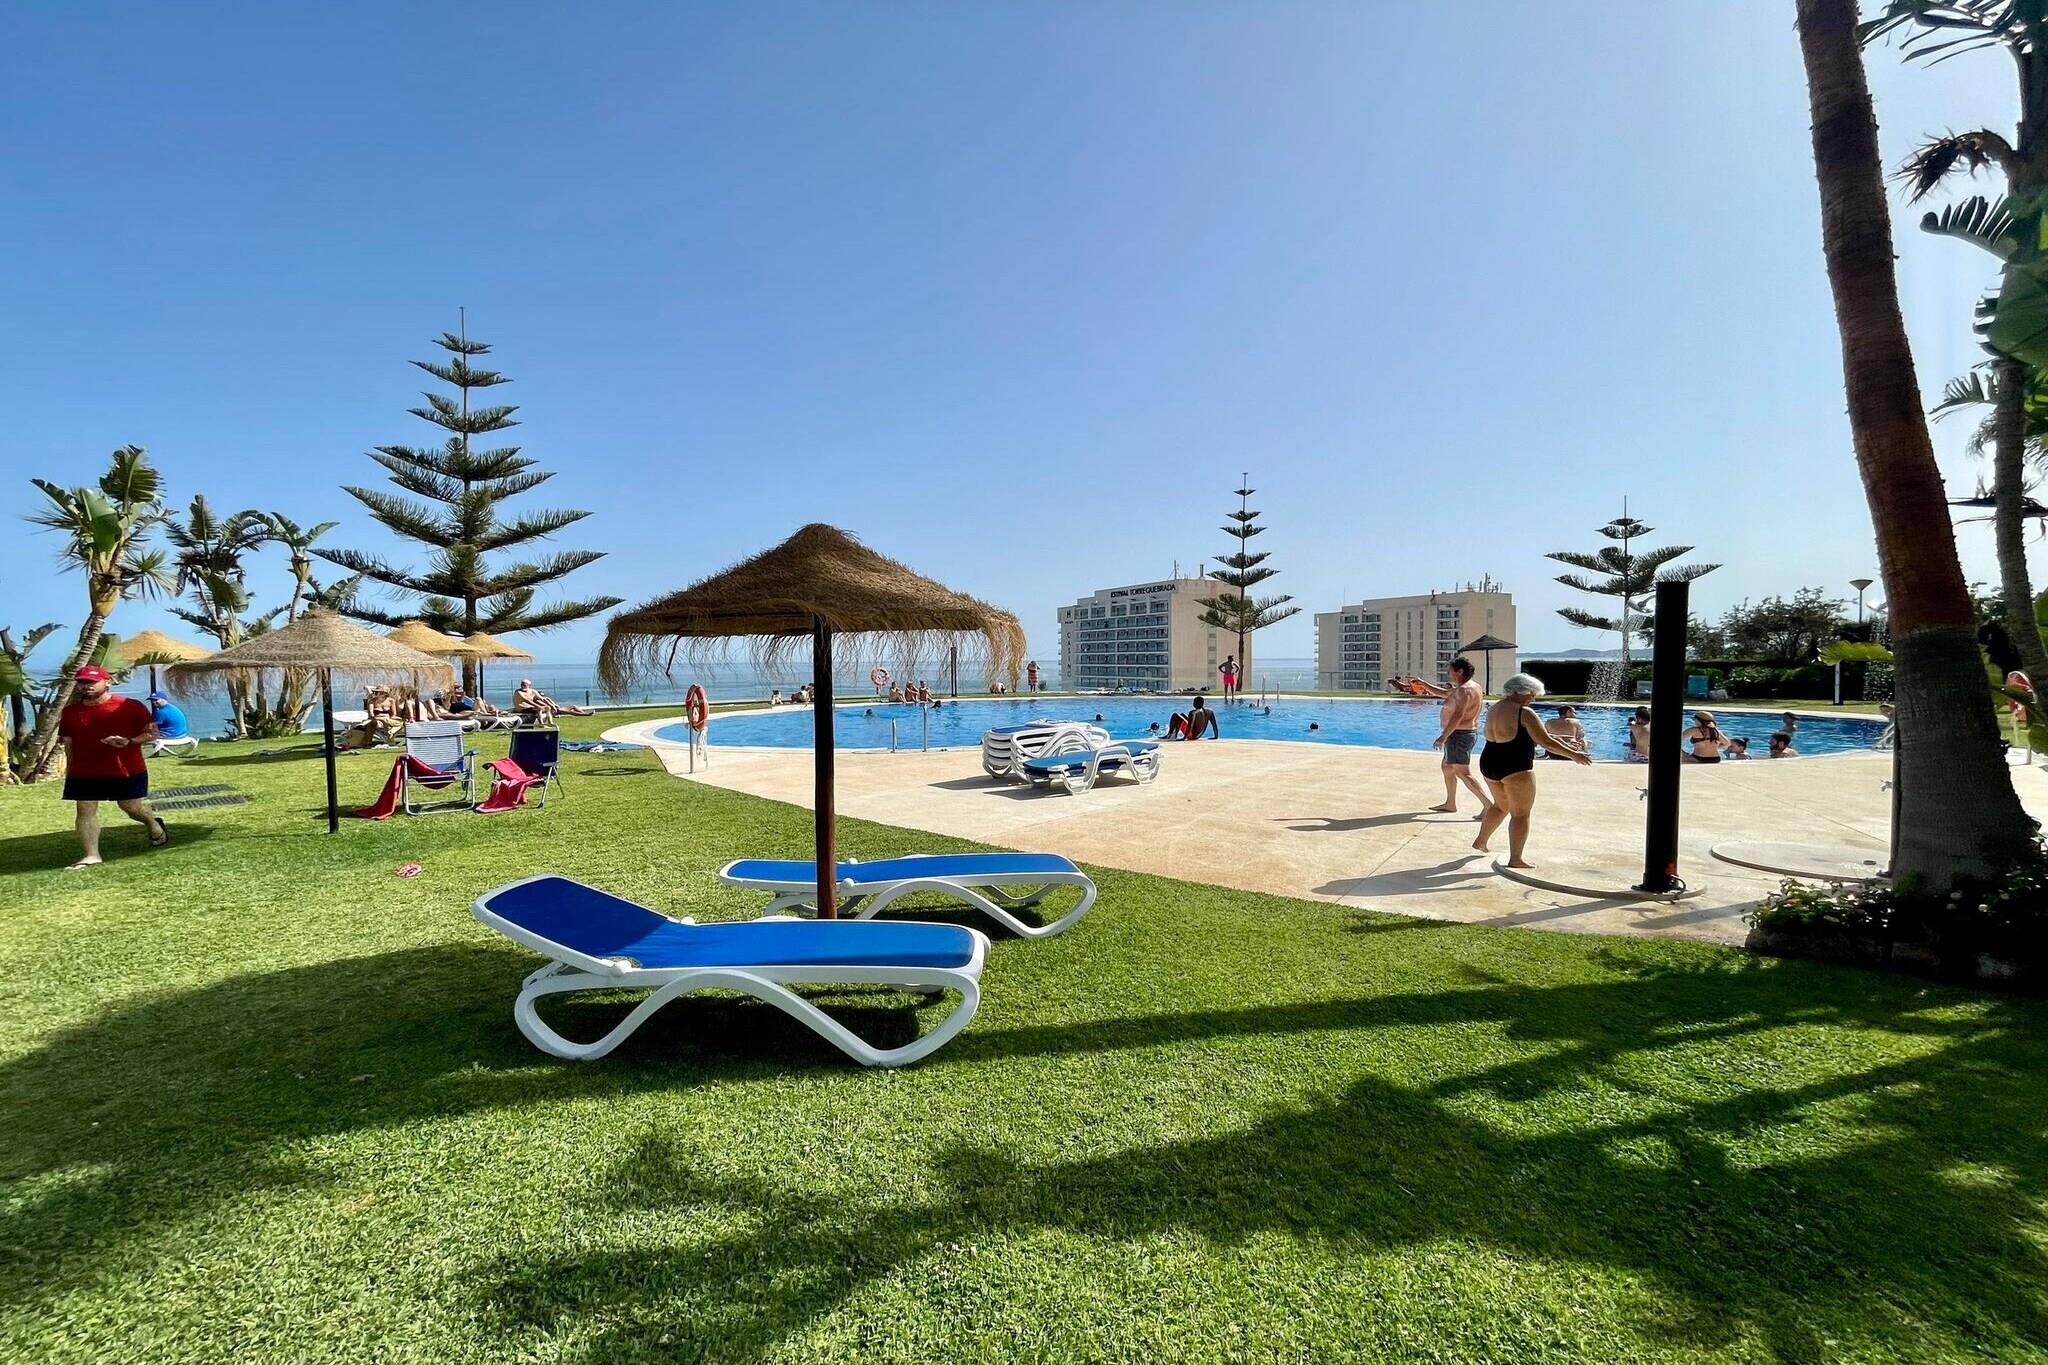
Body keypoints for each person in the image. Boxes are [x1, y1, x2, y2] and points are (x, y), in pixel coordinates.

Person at [1474, 673, 1591, 868]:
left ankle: (1481, 841)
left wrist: (1559, 741)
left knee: (1500, 806)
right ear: (1519, 691)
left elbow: (1532, 734)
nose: (1533, 699)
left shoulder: (1495, 707)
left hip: (1489, 762)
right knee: (1521, 814)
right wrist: (1574, 754)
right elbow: (1545, 741)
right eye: (1531, 694)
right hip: (1515, 766)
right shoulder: (1524, 712)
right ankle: (1516, 859)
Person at [58, 665, 167, 869]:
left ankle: (153, 823)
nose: (86, 686)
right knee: (85, 808)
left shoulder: (129, 706)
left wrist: (129, 741)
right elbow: (68, 742)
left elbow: (151, 734)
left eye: (91, 682)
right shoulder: (71, 712)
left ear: (107, 682)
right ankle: (92, 855)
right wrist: (69, 767)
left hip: (126, 769)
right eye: (82, 682)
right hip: (84, 771)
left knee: (131, 807)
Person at [1418, 659, 1491, 817]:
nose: (1448, 672)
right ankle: (1450, 803)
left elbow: (1458, 715)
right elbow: (1442, 693)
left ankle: (1488, 807)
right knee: (1447, 767)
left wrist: (1443, 736)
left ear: (1459, 672)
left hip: (1459, 734)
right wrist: (1423, 684)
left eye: (1450, 669)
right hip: (1460, 734)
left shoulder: (1464, 690)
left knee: (1463, 772)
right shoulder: (1471, 687)